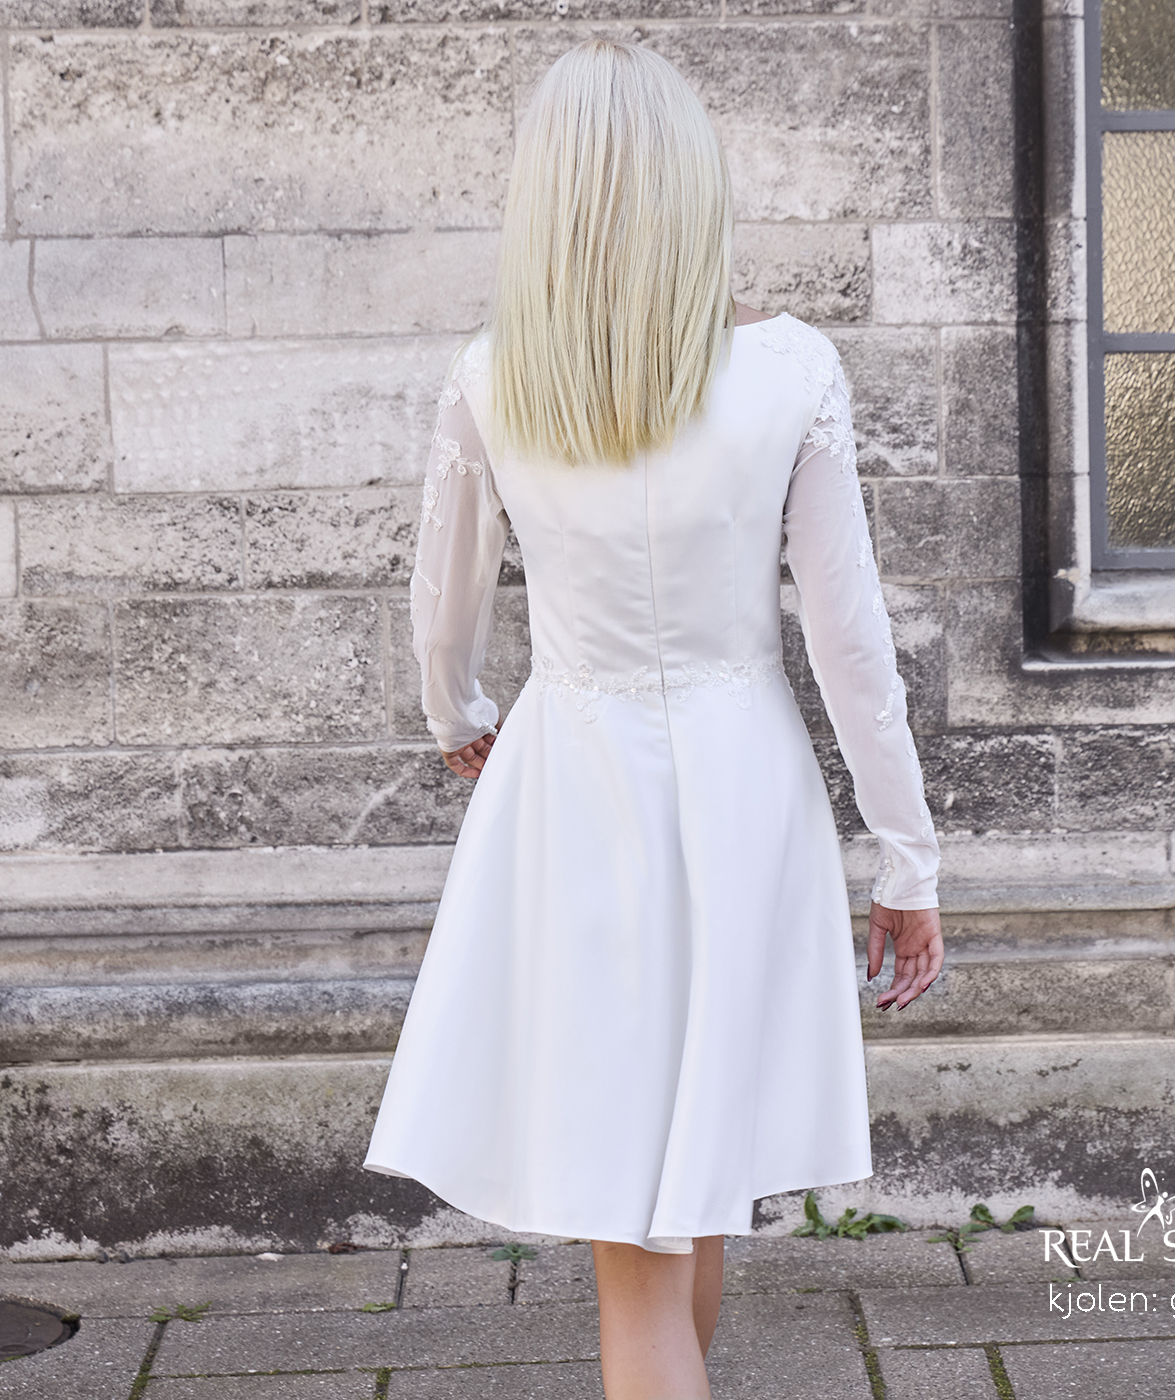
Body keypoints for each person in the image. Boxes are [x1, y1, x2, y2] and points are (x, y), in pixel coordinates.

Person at [363, 38, 943, 1400]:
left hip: (577, 792)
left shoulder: (495, 377)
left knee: (641, 1236)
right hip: (747, 792)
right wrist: (907, 856)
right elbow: (849, 641)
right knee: (691, 1195)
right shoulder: (790, 372)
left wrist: (459, 714)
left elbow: (441, 616)